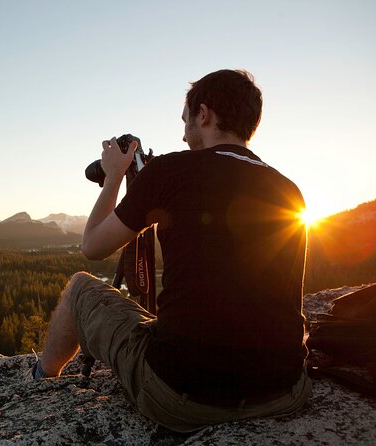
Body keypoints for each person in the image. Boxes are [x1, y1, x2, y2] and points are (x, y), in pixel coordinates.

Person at [31, 69, 311, 432]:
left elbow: (92, 246)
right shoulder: (289, 190)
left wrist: (115, 176)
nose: (183, 133)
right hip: (285, 391)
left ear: (204, 114)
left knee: (81, 288)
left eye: (186, 119)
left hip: (183, 396)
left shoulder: (170, 170)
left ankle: (39, 381)